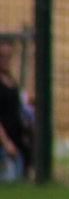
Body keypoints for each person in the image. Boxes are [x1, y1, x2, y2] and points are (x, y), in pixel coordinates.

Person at [0, 37, 32, 183]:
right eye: (2, 56)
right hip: (4, 145)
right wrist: (5, 142)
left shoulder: (11, 81)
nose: (5, 59)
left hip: (17, 141)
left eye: (8, 56)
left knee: (18, 184)